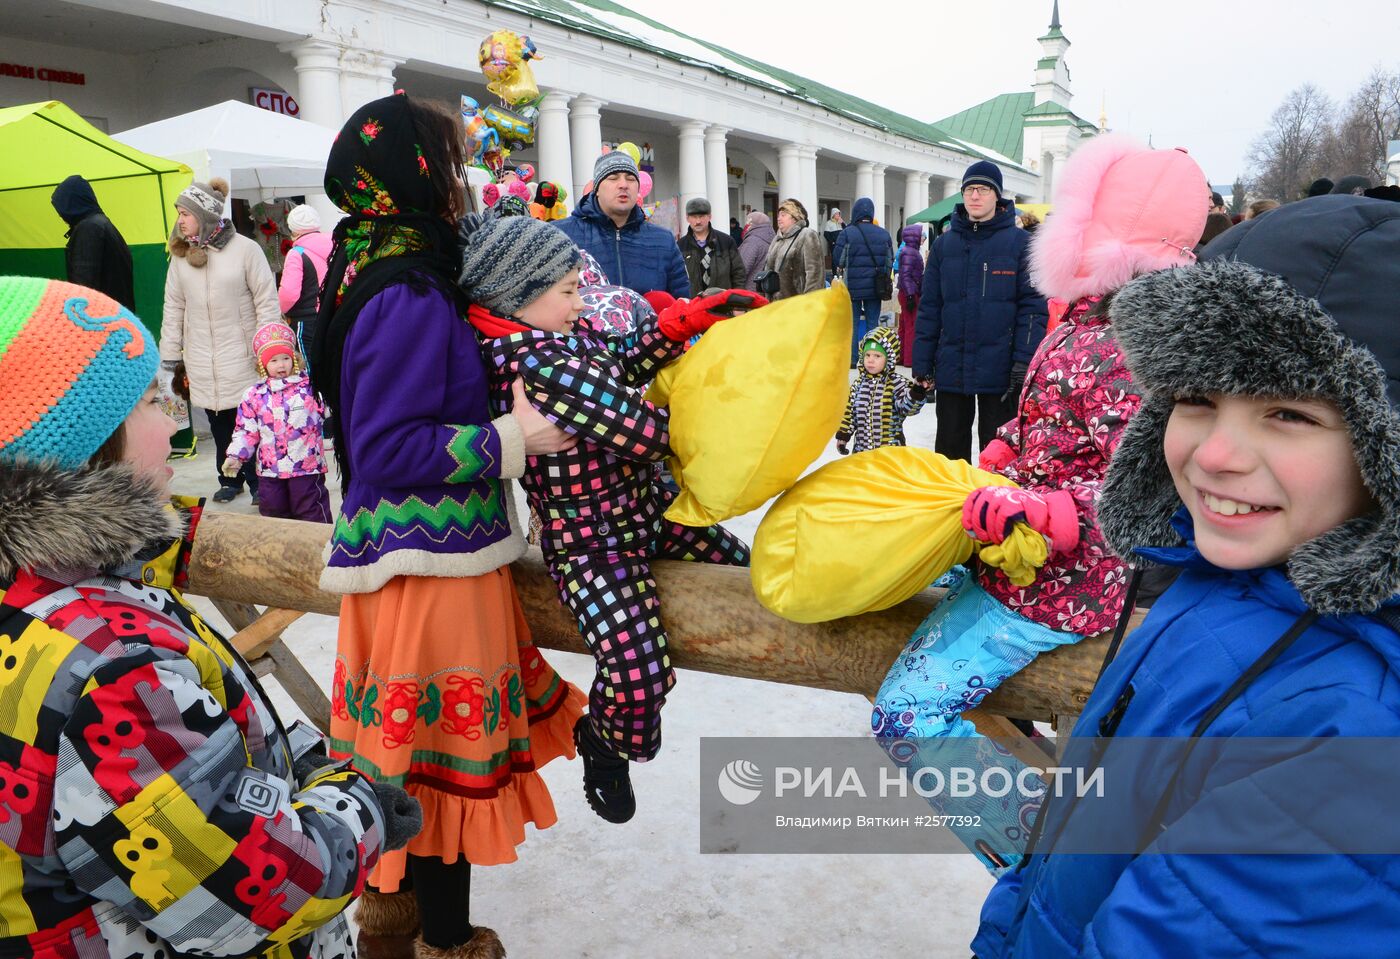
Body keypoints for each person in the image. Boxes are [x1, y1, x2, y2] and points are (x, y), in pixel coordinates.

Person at [972, 194, 1400, 959]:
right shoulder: (1230, 577)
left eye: (1289, 414)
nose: (1213, 454)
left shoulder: (1351, 733)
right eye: (1197, 400)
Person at [0, 275, 420, 959]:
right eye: (147, 402)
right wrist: (357, 801)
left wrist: (294, 761)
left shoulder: (45, 593)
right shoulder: (110, 670)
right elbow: (260, 894)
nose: (172, 424)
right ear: (77, 447)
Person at [874, 135, 1208, 874]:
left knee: (905, 715)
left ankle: (1048, 864)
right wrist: (1003, 455)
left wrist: (1054, 513)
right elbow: (1048, 422)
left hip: (1067, 585)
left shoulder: (1129, 342)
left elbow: (1149, 483)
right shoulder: (1086, 318)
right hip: (1023, 566)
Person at [311, 92, 584, 959]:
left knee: (402, 762)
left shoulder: (368, 258)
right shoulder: (408, 288)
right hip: (429, 569)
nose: (460, 180)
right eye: (449, 162)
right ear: (417, 174)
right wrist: (516, 438)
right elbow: (392, 445)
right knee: (433, 771)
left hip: (407, 562)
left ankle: (393, 925)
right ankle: (450, 941)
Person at [459, 213, 755, 823]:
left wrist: (680, 323)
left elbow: (615, 358)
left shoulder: (557, 336)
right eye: (568, 290)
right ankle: (605, 742)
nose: (580, 302)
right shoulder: (536, 365)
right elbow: (643, 434)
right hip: (592, 546)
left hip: (646, 513)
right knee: (638, 667)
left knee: (745, 567)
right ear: (517, 297)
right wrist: (747, 422)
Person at [912, 160, 1047, 463]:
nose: (975, 196)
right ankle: (952, 505)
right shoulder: (944, 246)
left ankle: (997, 508)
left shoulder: (1021, 245)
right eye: (969, 189)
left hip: (1000, 370)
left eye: (983, 189)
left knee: (999, 451)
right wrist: (922, 361)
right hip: (952, 366)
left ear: (997, 195)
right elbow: (930, 307)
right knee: (949, 450)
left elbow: (1033, 309)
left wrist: (1023, 361)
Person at [159, 177, 280, 504]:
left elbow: (266, 300)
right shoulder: (181, 257)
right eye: (179, 213)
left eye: (186, 213)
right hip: (200, 357)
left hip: (241, 355)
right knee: (218, 422)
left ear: (206, 214)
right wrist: (170, 355)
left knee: (249, 421)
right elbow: (173, 306)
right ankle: (229, 478)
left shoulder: (246, 249)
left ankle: (258, 481)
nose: (180, 220)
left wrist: (268, 349)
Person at [222, 321, 331, 522]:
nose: (281, 365)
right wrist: (236, 455)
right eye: (273, 360)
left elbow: (330, 412)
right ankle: (279, 552)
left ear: (295, 359)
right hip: (270, 471)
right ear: (263, 365)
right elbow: (246, 430)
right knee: (273, 515)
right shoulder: (254, 395)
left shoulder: (309, 389)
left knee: (310, 511)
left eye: (285, 358)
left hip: (305, 468)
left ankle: (318, 550)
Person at [556, 150, 688, 297]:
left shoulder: (664, 241)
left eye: (631, 179)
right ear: (597, 189)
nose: (623, 185)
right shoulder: (561, 235)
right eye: (613, 178)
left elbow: (682, 306)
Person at [834, 325, 926, 455]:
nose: (871, 360)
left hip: (890, 452)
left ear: (889, 358)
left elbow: (907, 408)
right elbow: (849, 413)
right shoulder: (858, 385)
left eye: (877, 356)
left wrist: (917, 391)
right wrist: (843, 436)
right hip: (862, 452)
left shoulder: (896, 383)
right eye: (867, 355)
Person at [49, 173, 134, 309]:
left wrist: (77, 317)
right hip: (117, 314)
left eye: (61, 207)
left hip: (100, 319)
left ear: (71, 203)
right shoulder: (102, 223)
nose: (60, 215)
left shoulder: (89, 229)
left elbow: (83, 286)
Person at [833, 196, 895, 366]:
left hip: (852, 287)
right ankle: (871, 359)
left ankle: (853, 359)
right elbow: (890, 261)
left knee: (851, 324)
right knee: (872, 324)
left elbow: (838, 259)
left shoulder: (847, 233)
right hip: (876, 288)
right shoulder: (884, 234)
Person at [277, 203, 332, 355]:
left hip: (306, 320)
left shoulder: (297, 253)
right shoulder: (337, 246)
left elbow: (289, 293)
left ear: (293, 228)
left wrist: (279, 311)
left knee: (310, 370)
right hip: (333, 315)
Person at [679, 196, 746, 295]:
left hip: (722, 304)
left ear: (710, 217)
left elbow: (739, 274)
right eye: (694, 217)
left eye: (702, 216)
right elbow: (676, 279)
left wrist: (737, 304)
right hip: (693, 305)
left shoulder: (726, 241)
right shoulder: (680, 246)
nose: (698, 221)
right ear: (687, 218)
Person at [761, 198, 824, 300]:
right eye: (778, 215)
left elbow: (815, 274)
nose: (778, 218)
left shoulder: (806, 235)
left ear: (794, 218)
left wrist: (810, 303)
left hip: (798, 304)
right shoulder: (777, 239)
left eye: (783, 215)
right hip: (776, 305)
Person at [896, 224, 925, 367]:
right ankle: (909, 359)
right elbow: (906, 275)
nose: (923, 238)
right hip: (910, 293)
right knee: (911, 326)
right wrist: (910, 295)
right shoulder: (910, 252)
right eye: (921, 235)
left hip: (907, 292)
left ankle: (902, 356)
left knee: (904, 325)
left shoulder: (907, 251)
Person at [738, 210, 775, 290]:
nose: (746, 226)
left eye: (748, 223)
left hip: (750, 291)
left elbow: (741, 269)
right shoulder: (772, 239)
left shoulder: (752, 241)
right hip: (764, 289)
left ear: (753, 224)